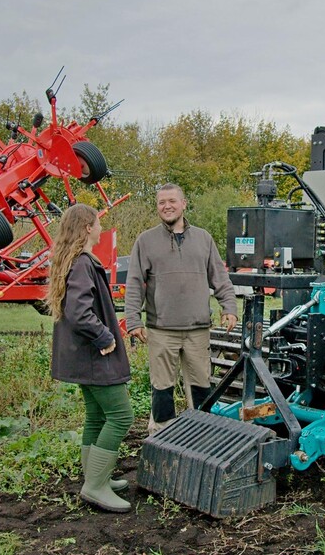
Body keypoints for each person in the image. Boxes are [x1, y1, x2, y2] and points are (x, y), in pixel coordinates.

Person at [125, 183, 238, 434]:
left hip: (198, 329)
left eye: (172, 201)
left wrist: (229, 307)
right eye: (161, 202)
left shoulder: (204, 239)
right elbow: (134, 282)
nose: (167, 206)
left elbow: (220, 278)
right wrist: (132, 320)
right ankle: (162, 434)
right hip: (161, 329)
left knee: (201, 385)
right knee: (162, 386)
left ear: (183, 204)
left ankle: (202, 433)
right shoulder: (146, 241)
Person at [46, 203, 134, 513]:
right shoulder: (83, 263)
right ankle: (95, 486)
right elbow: (80, 313)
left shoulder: (73, 260)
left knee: (97, 416)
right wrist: (105, 336)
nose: (100, 228)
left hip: (82, 359)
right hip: (94, 357)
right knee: (122, 416)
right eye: (97, 223)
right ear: (87, 228)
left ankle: (96, 477)